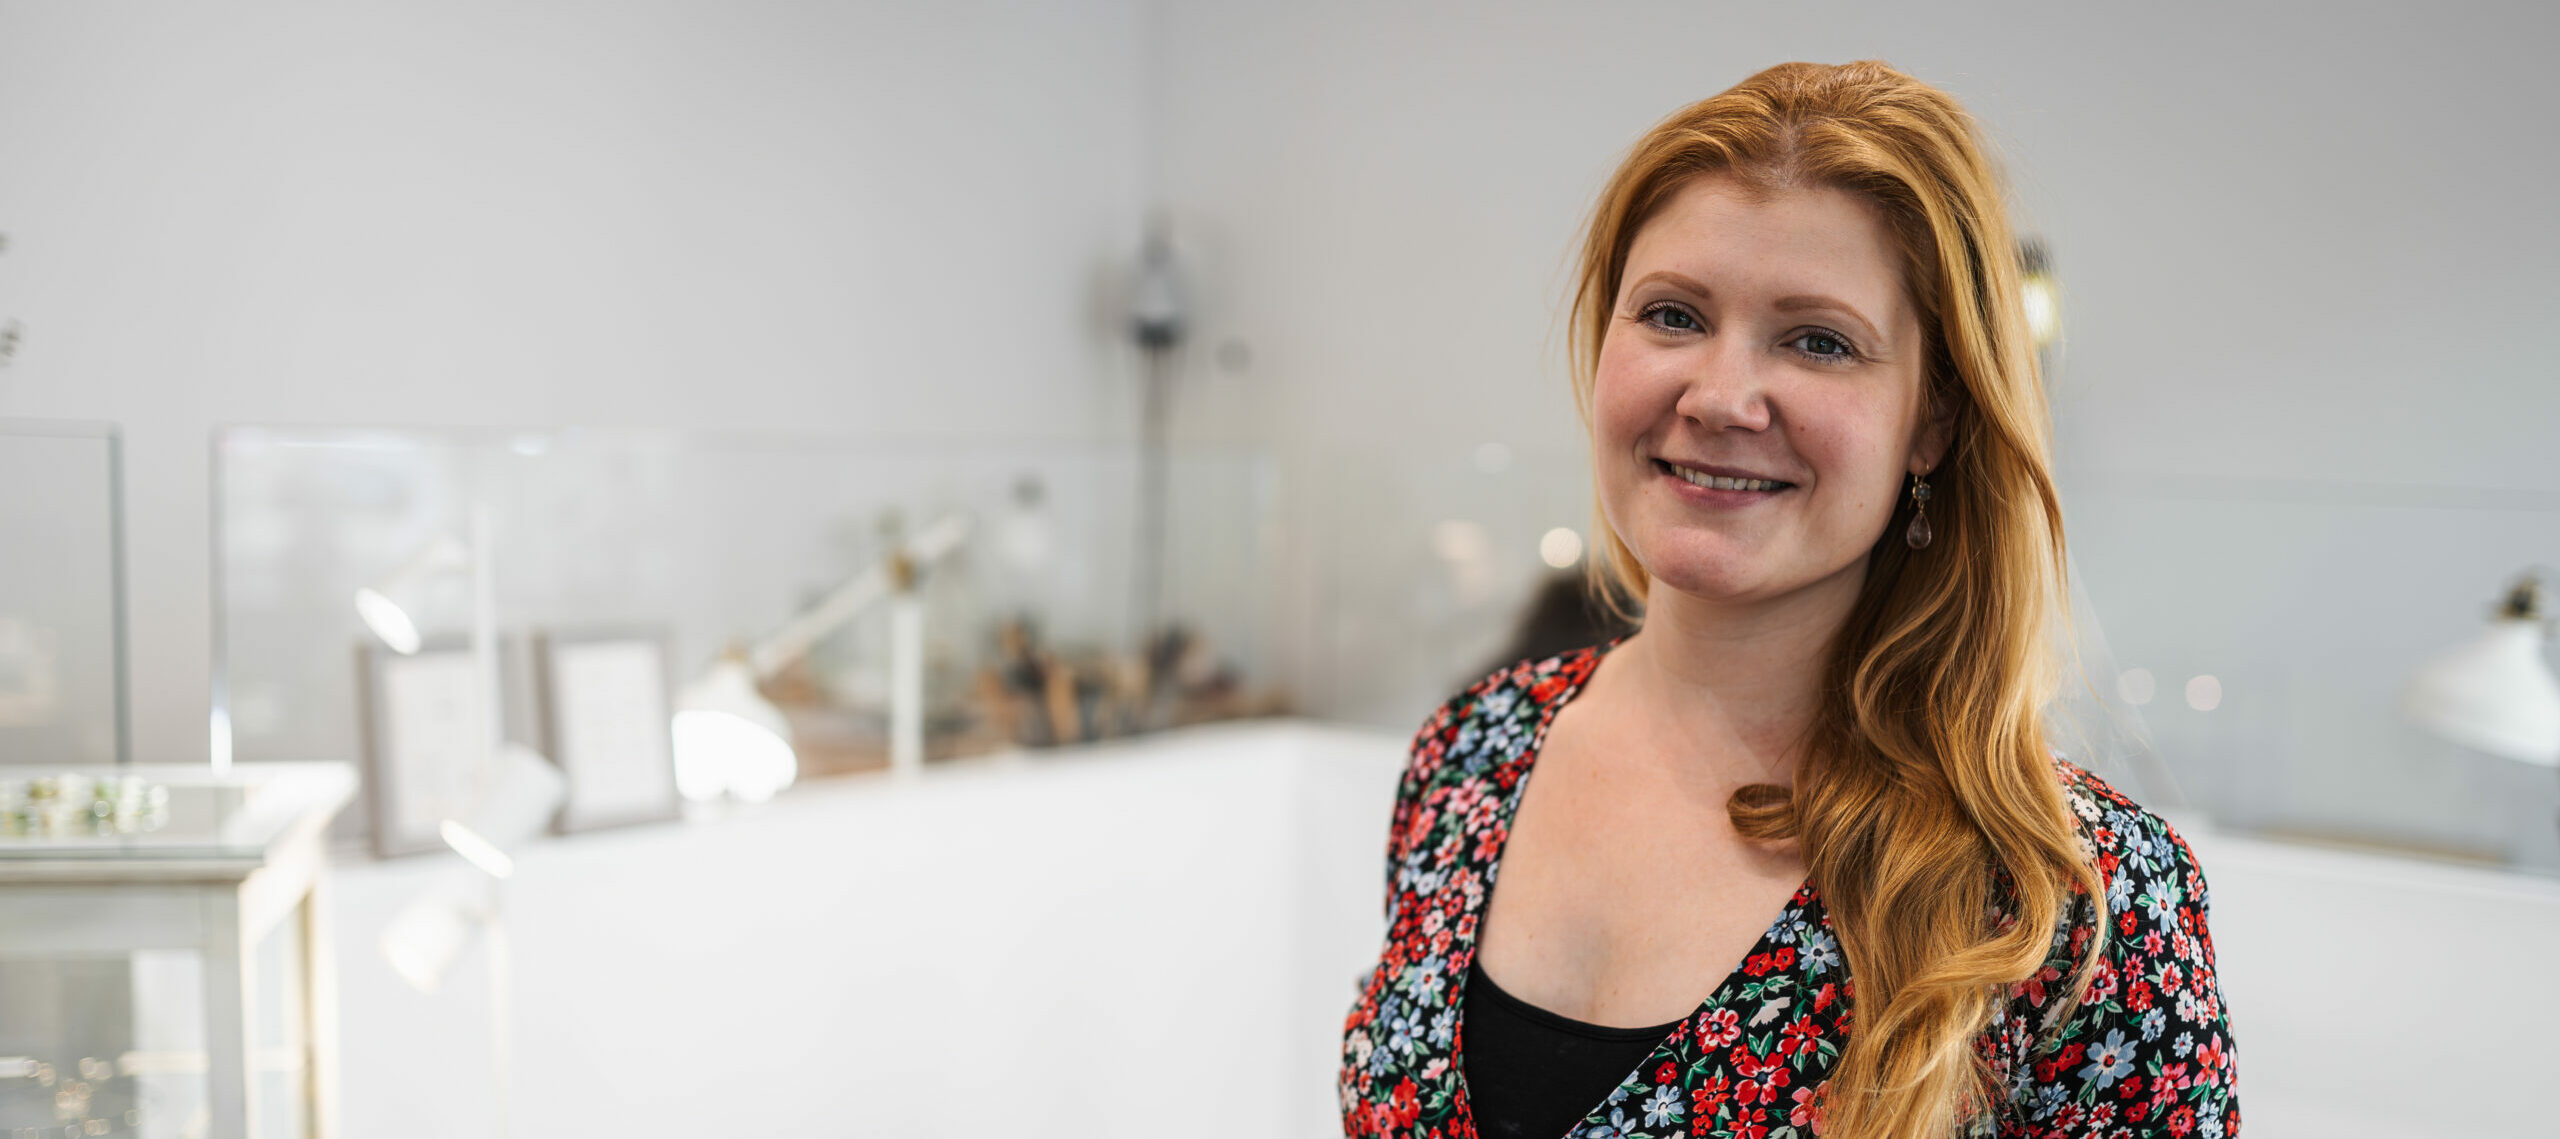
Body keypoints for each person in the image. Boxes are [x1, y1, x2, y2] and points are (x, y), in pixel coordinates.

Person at [1339, 61, 2237, 1139]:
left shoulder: (2074, 905)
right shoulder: (1470, 754)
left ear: (1933, 419)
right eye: (1672, 314)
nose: (1719, 397)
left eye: (1818, 340)